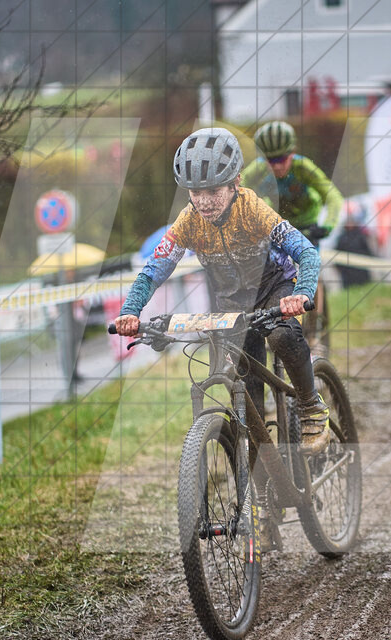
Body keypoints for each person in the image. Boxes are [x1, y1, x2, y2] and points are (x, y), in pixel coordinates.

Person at [113, 128, 330, 452]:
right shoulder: (188, 222)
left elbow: (306, 252)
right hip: (231, 302)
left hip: (274, 287)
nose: (203, 201)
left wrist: (303, 292)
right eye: (194, 192)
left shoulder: (252, 209)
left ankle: (311, 407)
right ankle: (258, 489)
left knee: (283, 337)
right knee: (246, 397)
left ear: (236, 182)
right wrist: (130, 310)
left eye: (213, 190)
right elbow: (152, 271)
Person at [240, 121, 343, 246]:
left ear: (292, 152)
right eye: (271, 160)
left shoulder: (302, 167)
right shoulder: (258, 169)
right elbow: (236, 192)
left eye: (281, 159)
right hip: (278, 225)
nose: (277, 166)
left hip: (307, 227)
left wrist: (327, 226)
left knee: (309, 262)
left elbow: (333, 196)